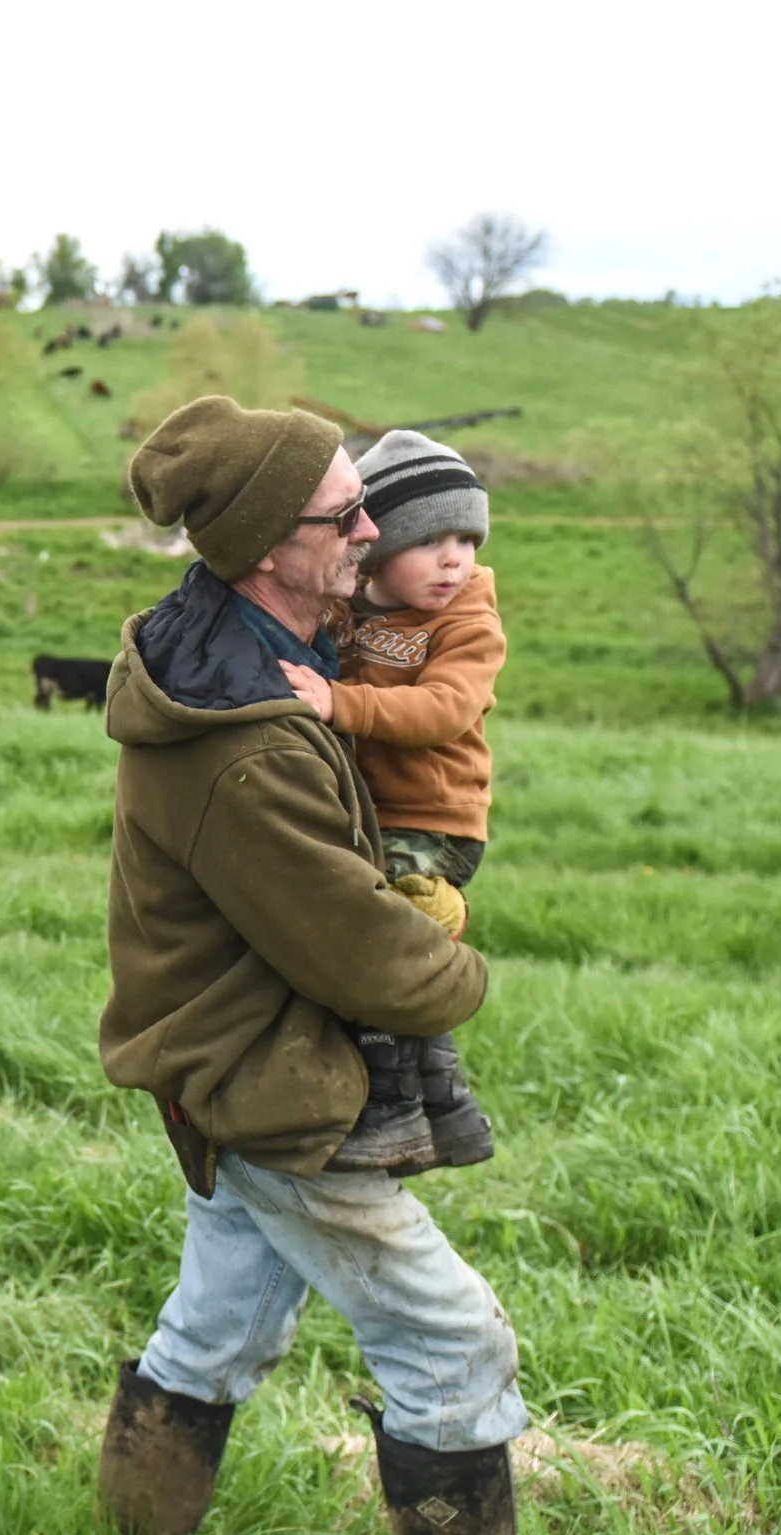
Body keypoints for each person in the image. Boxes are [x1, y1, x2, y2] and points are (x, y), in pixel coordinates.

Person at [91, 396, 673, 1535]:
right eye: (344, 514)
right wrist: (457, 959)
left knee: (219, 1322)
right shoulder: (246, 746)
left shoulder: (258, 650)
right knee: (450, 1333)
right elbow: (362, 954)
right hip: (273, 1077)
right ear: (263, 548)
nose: (374, 529)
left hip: (220, 1066)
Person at [275, 431, 501, 1175]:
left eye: (466, 539)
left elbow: (444, 711)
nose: (453, 560)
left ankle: (393, 1110)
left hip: (435, 822)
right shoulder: (350, 610)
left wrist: (341, 704)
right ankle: (447, 1106)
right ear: (375, 544)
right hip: (370, 817)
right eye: (430, 538)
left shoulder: (468, 620)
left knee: (382, 930)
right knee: (360, 927)